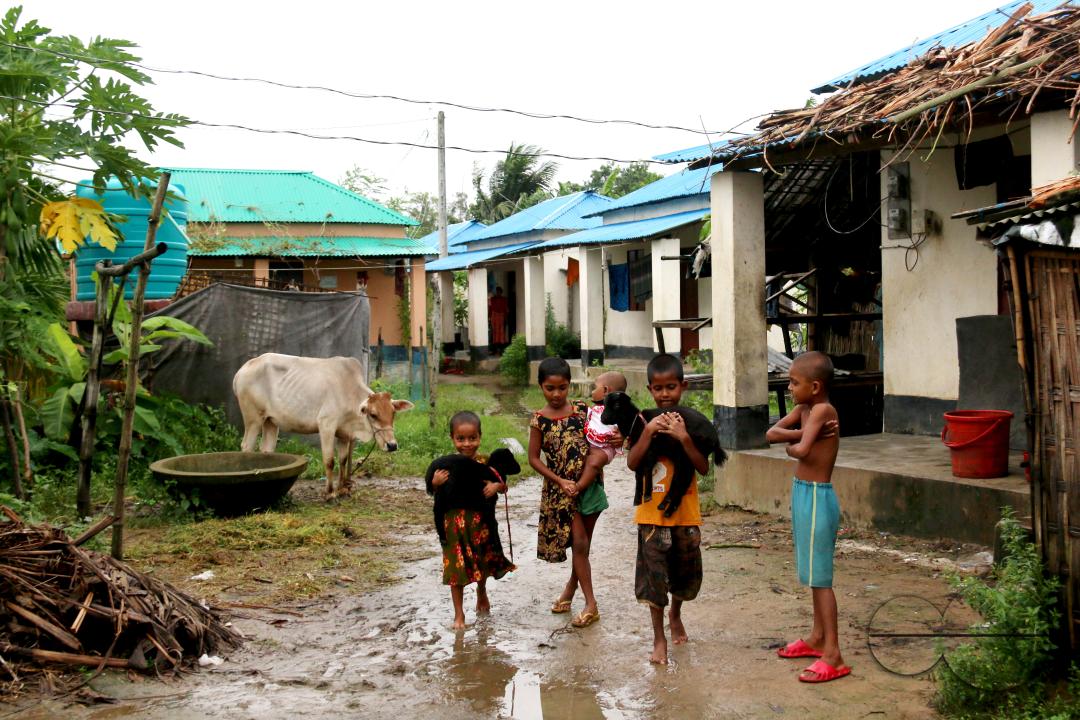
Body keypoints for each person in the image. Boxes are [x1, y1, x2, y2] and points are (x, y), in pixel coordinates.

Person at [766, 351, 849, 683]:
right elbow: (772, 433)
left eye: (794, 383)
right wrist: (802, 435)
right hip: (803, 492)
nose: (789, 388)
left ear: (815, 386)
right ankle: (816, 638)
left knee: (821, 579)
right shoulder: (806, 410)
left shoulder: (824, 410)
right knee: (811, 574)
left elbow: (799, 451)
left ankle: (834, 654)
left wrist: (797, 441)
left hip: (817, 497)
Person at [626, 353, 709, 664]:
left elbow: (702, 467)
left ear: (683, 386)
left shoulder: (691, 422)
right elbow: (633, 462)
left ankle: (676, 613)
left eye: (671, 387)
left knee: (684, 573)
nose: (665, 395)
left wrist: (683, 437)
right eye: (658, 389)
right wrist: (648, 433)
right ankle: (658, 636)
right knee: (654, 578)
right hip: (651, 517)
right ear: (649, 390)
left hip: (685, 516)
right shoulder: (643, 421)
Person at [528, 357, 610, 628]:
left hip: (589, 486)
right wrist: (559, 480)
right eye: (550, 388)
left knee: (582, 546)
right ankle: (591, 604)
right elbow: (534, 459)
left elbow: (604, 436)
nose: (556, 394)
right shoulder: (539, 421)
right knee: (580, 544)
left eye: (562, 388)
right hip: (561, 492)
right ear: (540, 386)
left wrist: (618, 439)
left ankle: (570, 589)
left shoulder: (583, 411)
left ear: (569, 386)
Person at [426, 411, 514, 630]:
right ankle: (459, 615)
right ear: (452, 439)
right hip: (453, 526)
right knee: (455, 569)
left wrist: (495, 486)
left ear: (480, 436)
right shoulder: (445, 466)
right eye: (461, 439)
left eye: (472, 438)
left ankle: (481, 591)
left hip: (479, 524)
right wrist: (436, 483)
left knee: (481, 561)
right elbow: (433, 491)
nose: (467, 444)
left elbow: (502, 485)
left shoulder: (485, 463)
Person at [577, 370, 627, 498]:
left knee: (593, 463)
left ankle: (579, 486)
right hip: (594, 444)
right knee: (587, 461)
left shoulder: (620, 408)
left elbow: (632, 422)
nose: (592, 391)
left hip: (605, 449)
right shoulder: (594, 408)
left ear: (605, 390)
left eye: (594, 388)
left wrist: (623, 433)